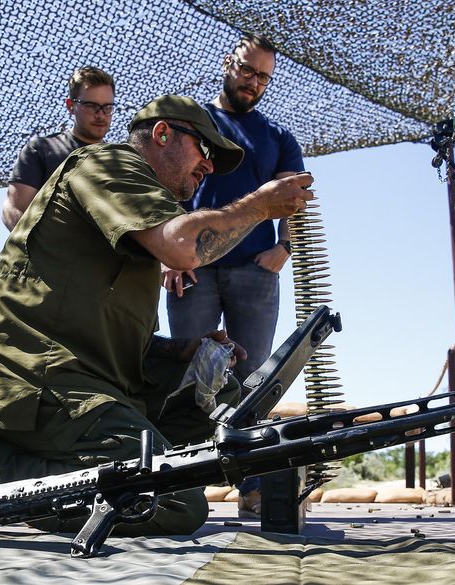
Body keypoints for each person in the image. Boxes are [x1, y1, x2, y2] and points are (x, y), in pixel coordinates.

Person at [0, 95, 315, 538]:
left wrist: (185, 350)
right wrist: (259, 208)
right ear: (161, 134)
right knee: (174, 499)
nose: (208, 168)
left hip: (94, 378)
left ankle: (69, 462)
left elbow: (108, 330)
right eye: (204, 152)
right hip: (41, 380)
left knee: (216, 401)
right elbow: (182, 246)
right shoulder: (105, 164)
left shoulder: (133, 230)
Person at [163, 33, 305, 519]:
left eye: (263, 75)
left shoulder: (279, 137)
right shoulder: (191, 124)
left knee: (254, 380)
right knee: (189, 378)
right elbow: (164, 192)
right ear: (229, 63)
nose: (253, 82)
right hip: (193, 272)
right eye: (247, 70)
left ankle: (254, 493)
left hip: (255, 272)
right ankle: (183, 490)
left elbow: (296, 198)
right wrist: (168, 257)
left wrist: (283, 247)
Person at [1, 66, 116, 230]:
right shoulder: (42, 149)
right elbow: (13, 209)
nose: (100, 114)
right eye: (91, 105)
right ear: (70, 106)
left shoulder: (120, 159)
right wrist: (44, 248)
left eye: (108, 107)